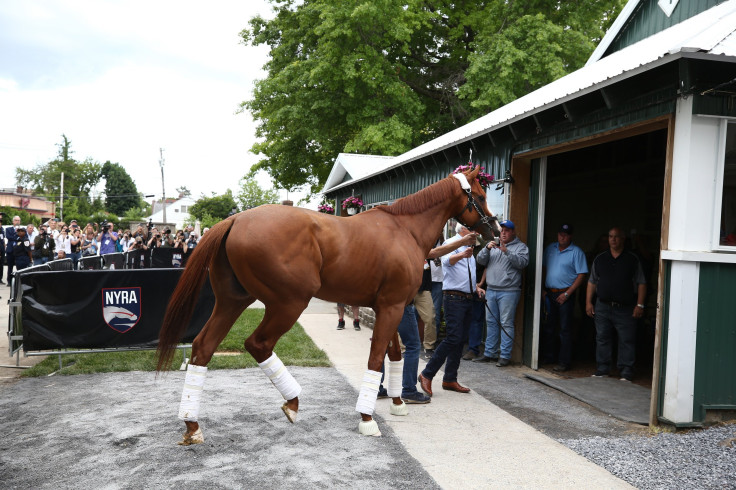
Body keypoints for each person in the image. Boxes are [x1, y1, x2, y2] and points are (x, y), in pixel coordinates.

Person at [419, 224, 482, 396]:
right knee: (453, 337)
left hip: (467, 296)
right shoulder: (451, 243)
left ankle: (450, 378)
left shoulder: (470, 246)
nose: (476, 233)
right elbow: (447, 262)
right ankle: (427, 373)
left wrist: (475, 287)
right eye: (473, 230)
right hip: (454, 297)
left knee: (460, 339)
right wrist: (462, 254)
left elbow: (465, 272)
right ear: (464, 230)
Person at [586, 227, 646, 382]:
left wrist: (640, 305)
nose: (613, 240)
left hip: (625, 307)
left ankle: (626, 372)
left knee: (626, 339)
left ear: (623, 239)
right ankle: (602, 369)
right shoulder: (600, 258)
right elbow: (592, 282)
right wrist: (588, 302)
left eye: (616, 237)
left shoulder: (632, 259)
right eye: (610, 236)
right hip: (602, 305)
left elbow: (641, 283)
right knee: (602, 337)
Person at [475, 220, 529, 367]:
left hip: (509, 291)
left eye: (507, 230)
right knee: (491, 322)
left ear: (513, 232)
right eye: (502, 230)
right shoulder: (493, 245)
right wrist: (486, 248)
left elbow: (523, 263)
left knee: (506, 323)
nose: (503, 233)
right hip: (491, 289)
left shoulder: (520, 247)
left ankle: (504, 356)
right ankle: (489, 353)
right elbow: (480, 260)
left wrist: (507, 252)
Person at [541, 224, 588, 372]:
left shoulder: (577, 252)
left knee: (565, 329)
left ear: (571, 236)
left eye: (566, 234)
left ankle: (564, 362)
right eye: (560, 233)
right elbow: (543, 268)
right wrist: (542, 289)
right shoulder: (550, 249)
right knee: (549, 327)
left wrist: (568, 293)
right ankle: (549, 357)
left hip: (566, 294)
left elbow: (581, 275)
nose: (562, 236)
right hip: (550, 293)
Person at [377, 304, 431, 405]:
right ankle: (409, 391)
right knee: (413, 345)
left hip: (383, 303)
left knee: (381, 343)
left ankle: (375, 387)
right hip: (401, 302)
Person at [5, 215, 21, 284]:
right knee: (10, 267)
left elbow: (22, 238)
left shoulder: (22, 229)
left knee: (19, 267)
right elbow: (9, 237)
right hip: (10, 250)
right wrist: (16, 235)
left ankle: (18, 281)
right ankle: (9, 281)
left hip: (18, 251)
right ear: (13, 221)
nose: (17, 222)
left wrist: (17, 236)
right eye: (16, 220)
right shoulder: (8, 229)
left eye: (18, 220)